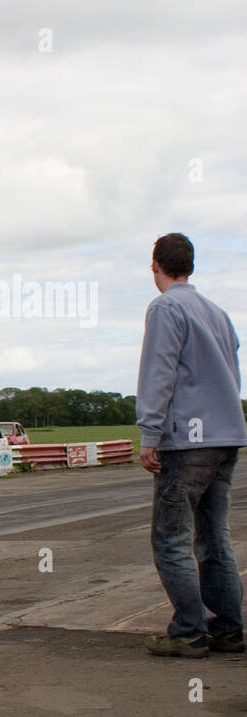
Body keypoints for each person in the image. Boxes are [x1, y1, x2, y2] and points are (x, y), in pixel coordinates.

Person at [137, 232, 247, 658]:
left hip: (186, 443)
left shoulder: (165, 307)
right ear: (191, 265)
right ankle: (229, 628)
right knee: (214, 536)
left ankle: (188, 632)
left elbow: (159, 372)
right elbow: (232, 371)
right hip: (226, 437)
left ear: (155, 267)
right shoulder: (217, 313)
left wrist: (150, 433)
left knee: (171, 538)